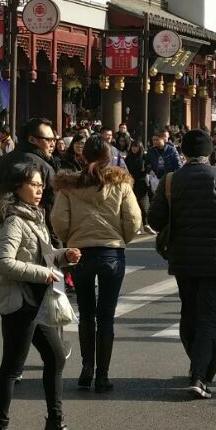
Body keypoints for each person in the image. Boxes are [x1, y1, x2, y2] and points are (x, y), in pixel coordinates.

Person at [147, 127, 216, 399]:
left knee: (190, 314)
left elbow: (154, 221)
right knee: (211, 318)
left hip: (183, 259)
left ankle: (198, 366)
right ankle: (200, 374)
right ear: (211, 152)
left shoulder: (170, 181)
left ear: (183, 152)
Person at [0, 165, 83, 430]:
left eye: (41, 185)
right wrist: (44, 273)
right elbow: (3, 262)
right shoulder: (13, 219)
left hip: (37, 302)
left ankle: (55, 425)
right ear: (17, 187)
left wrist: (63, 256)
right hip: (19, 302)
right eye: (33, 184)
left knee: (55, 357)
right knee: (12, 369)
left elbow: (43, 255)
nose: (39, 190)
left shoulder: (34, 215)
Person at [51, 133, 142, 394]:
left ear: (82, 156)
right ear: (109, 156)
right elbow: (134, 219)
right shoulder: (122, 185)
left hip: (81, 253)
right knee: (106, 315)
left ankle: (86, 368)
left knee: (86, 314)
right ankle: (103, 375)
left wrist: (70, 240)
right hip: (112, 253)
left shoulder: (69, 185)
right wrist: (121, 238)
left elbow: (58, 219)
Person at [0, 118, 59, 235]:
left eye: (54, 140)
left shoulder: (2, 161)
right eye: (48, 139)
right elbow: (52, 208)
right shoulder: (43, 166)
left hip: (1, 229)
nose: (53, 144)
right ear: (32, 139)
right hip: (35, 234)